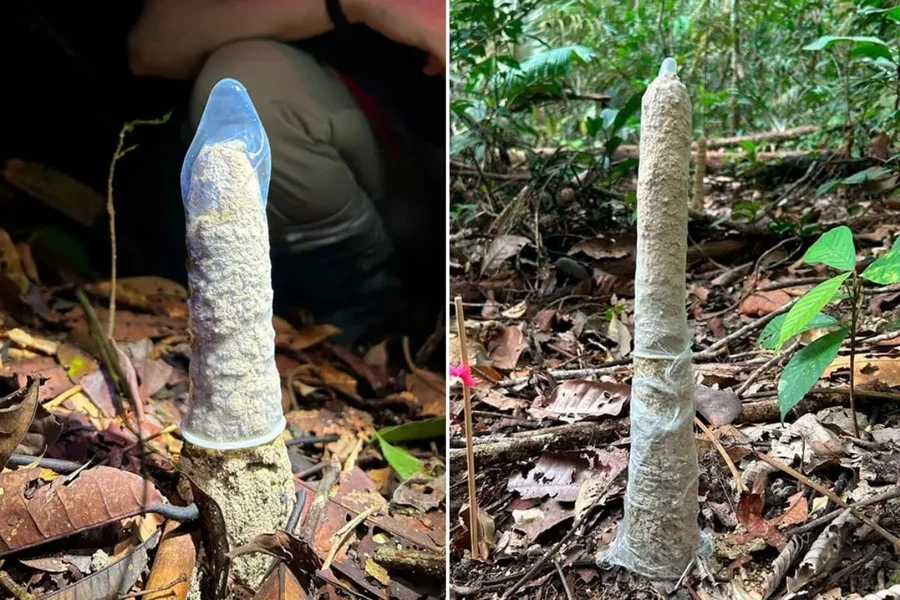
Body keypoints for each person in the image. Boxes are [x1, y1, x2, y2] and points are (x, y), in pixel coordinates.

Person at [127, 0, 446, 345]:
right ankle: (357, 313)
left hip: (425, 187)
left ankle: (401, 325)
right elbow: (151, 46)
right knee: (249, 86)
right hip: (332, 175)